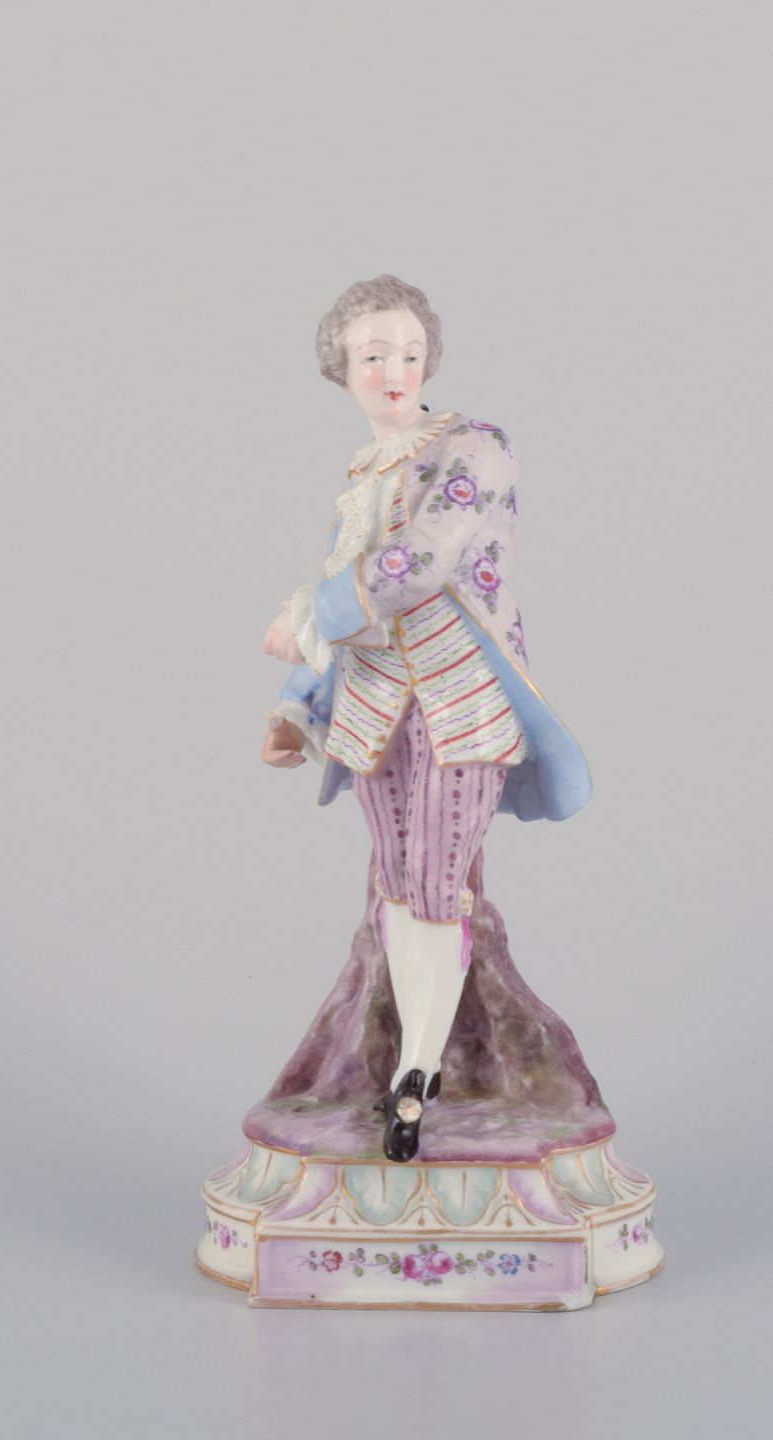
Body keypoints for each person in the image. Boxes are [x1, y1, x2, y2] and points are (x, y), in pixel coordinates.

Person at [261, 274, 591, 1162]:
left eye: (409, 353)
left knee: (441, 886)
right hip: (373, 705)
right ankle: (419, 1055)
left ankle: (415, 1075)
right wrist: (294, 705)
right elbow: (341, 584)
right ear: (342, 371)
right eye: (373, 356)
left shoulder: (475, 449)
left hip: (459, 698)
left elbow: (419, 561)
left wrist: (306, 614)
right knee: (398, 889)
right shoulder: (360, 478)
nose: (394, 371)